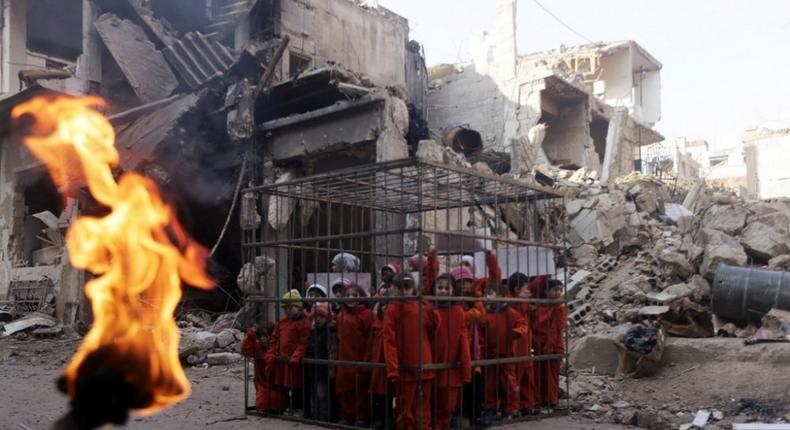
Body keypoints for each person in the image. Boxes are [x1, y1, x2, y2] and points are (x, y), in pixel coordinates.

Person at [450, 250, 501, 424]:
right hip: (457, 350)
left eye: (467, 282)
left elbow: (481, 317)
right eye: (461, 282)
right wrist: (475, 311)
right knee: (459, 384)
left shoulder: (474, 297)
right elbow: (464, 319)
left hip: (474, 350)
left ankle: (474, 415)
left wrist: (490, 257)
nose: (465, 286)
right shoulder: (454, 303)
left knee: (475, 384)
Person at [384, 272, 439, 430]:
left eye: (406, 287)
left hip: (424, 363)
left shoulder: (422, 306)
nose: (403, 291)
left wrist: (433, 314)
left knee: (423, 407)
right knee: (405, 408)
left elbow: (434, 329)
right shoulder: (393, 309)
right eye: (399, 288)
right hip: (405, 367)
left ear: (413, 289)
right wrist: (393, 368)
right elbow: (389, 340)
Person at [479, 283, 528, 425]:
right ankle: (490, 409)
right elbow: (481, 333)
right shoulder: (485, 314)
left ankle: (509, 409)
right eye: (485, 293)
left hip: (507, 355)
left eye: (490, 293)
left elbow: (522, 324)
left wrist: (517, 332)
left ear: (500, 296)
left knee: (508, 383)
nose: (486, 297)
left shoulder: (510, 312)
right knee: (490, 384)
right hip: (490, 355)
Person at [431, 273, 472, 430]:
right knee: (431, 402)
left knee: (448, 405)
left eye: (446, 288)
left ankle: (442, 425)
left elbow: (463, 338)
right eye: (439, 287)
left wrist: (465, 366)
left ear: (453, 290)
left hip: (451, 365)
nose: (442, 291)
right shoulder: (429, 309)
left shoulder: (458, 311)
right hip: (432, 362)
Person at [265, 290, 311, 418]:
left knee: (298, 387)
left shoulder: (304, 322)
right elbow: (274, 339)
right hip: (284, 361)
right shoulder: (282, 323)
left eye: (291, 307)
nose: (288, 310)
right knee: (285, 385)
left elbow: (304, 342)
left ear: (299, 307)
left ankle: (300, 409)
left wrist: (296, 356)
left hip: (296, 363)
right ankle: (288, 406)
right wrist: (271, 353)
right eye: (286, 307)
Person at [335, 280, 373, 426]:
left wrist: (366, 359)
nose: (350, 298)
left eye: (354, 295)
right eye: (348, 295)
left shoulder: (367, 315)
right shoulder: (341, 316)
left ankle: (361, 416)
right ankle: (346, 415)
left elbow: (370, 338)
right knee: (344, 390)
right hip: (344, 357)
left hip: (360, 357)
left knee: (360, 390)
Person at [532, 279, 567, 411]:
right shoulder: (540, 307)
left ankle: (551, 401)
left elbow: (556, 329)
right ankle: (541, 400)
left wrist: (549, 346)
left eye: (560, 290)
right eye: (555, 289)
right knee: (540, 374)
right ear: (546, 291)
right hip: (539, 345)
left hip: (553, 347)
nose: (558, 293)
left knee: (551, 375)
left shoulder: (559, 309)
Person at [508, 273, 538, 415]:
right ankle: (514, 407)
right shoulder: (511, 306)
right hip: (516, 349)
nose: (530, 293)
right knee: (515, 381)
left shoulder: (524, 305)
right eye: (527, 289)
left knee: (527, 380)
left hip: (525, 348)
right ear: (516, 289)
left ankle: (527, 406)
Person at [241, 321, 286, 412]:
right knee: (262, 404)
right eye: (260, 336)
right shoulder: (258, 348)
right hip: (263, 384)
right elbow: (246, 351)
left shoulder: (278, 348)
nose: (262, 339)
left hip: (276, 385)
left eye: (265, 336)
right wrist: (250, 334)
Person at [368, 286, 394, 430]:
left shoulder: (393, 323)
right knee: (378, 394)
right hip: (377, 361)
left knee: (389, 395)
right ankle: (381, 419)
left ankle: (389, 419)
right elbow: (370, 343)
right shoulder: (376, 322)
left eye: (388, 306)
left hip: (388, 362)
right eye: (383, 306)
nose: (385, 309)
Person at [306, 302, 337, 422]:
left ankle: (324, 417)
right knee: (315, 394)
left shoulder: (329, 331)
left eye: (321, 317)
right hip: (314, 368)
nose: (318, 319)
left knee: (322, 394)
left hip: (324, 369)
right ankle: (316, 415)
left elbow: (332, 350)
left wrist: (331, 368)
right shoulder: (314, 331)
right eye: (316, 317)